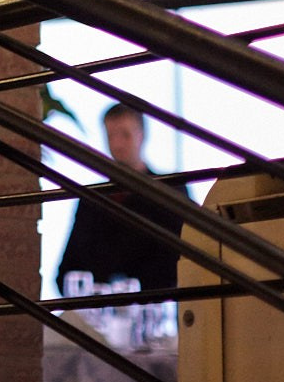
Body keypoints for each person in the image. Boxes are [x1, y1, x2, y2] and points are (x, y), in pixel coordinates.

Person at [57, 105, 189, 293]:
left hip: (152, 309)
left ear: (142, 136)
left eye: (125, 135)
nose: (117, 144)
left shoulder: (169, 191)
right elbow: (66, 271)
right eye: (111, 136)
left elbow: (179, 263)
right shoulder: (91, 199)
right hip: (100, 311)